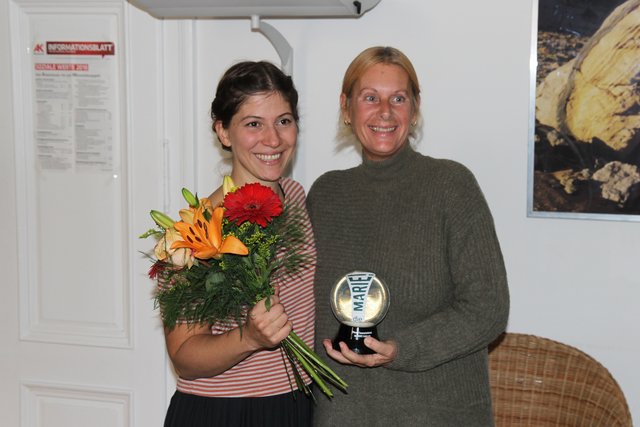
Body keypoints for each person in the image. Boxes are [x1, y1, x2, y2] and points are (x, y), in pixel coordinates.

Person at [306, 46, 510, 426]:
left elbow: (488, 308)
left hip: (437, 415)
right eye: (370, 98)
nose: (385, 112)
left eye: (398, 98)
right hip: (344, 415)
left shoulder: (452, 186)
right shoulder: (325, 195)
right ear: (346, 108)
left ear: (414, 110)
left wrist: (402, 349)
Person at [163, 61, 316, 427]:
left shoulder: (296, 198)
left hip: (300, 404)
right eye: (253, 124)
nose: (273, 139)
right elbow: (184, 355)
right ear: (223, 131)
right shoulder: (195, 233)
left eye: (284, 120)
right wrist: (249, 337)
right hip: (227, 412)